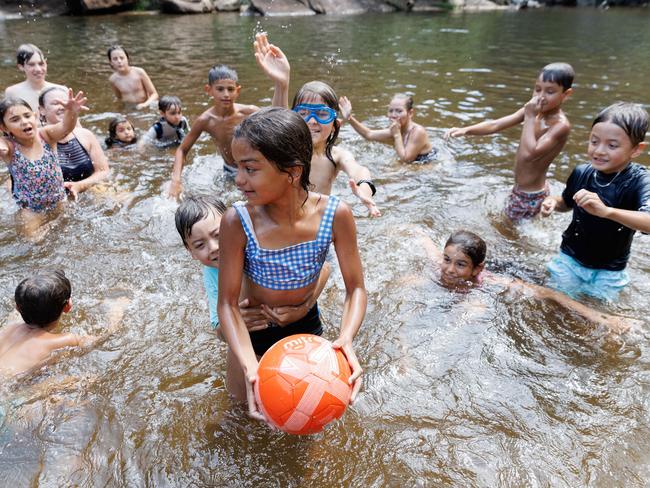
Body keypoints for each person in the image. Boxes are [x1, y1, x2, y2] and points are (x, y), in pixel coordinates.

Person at [218, 108, 366, 421]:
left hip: (305, 330)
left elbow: (356, 288)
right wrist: (248, 363)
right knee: (240, 417)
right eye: (237, 168)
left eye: (250, 169)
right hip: (252, 333)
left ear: (292, 172)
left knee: (306, 420)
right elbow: (228, 305)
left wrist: (346, 338)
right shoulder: (237, 221)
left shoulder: (335, 215)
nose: (238, 180)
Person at [416, 229, 635, 332]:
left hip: (517, 271)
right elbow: (424, 239)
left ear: (476, 269)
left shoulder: (490, 282)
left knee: (476, 308)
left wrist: (600, 318)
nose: (450, 270)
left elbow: (550, 294)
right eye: (447, 260)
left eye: (461, 264)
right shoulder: (441, 264)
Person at [174, 195, 330, 334]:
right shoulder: (212, 272)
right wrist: (234, 322)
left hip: (302, 320)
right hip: (258, 333)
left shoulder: (258, 248)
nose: (214, 247)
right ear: (191, 252)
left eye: (218, 235)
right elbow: (218, 328)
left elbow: (324, 268)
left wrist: (304, 307)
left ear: (234, 226)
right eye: (200, 245)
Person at [541, 102, 650, 301]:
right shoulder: (582, 172)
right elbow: (566, 202)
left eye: (612, 145)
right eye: (594, 141)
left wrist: (607, 212)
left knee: (597, 319)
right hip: (569, 260)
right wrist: (552, 203)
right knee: (554, 305)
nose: (599, 151)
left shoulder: (640, 181)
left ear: (636, 149)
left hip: (610, 271)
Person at [445, 62, 574, 223]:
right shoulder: (534, 112)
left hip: (530, 195)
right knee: (510, 229)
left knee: (508, 232)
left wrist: (529, 116)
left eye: (550, 91)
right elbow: (496, 124)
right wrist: (467, 130)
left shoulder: (560, 125)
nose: (541, 96)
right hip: (521, 190)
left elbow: (530, 154)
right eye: (537, 89)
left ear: (566, 94)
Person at [168, 32, 290, 199]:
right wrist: (176, 180)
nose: (226, 94)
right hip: (229, 170)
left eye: (230, 89)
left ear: (237, 91)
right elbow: (182, 149)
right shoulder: (206, 120)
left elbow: (279, 119)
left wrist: (280, 83)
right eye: (220, 89)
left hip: (251, 167)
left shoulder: (249, 112)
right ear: (208, 90)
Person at [0, 270, 128, 379]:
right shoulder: (64, 340)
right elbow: (100, 340)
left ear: (17, 307)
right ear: (68, 306)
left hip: (7, 382)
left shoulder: (10, 327)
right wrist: (117, 312)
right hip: (7, 396)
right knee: (80, 380)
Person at [0, 90, 87, 236]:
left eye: (27, 116)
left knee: (69, 233)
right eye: (15, 120)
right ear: (4, 128)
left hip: (59, 200)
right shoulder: (9, 146)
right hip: (31, 210)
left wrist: (71, 112)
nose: (24, 122)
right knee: (35, 242)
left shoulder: (46, 135)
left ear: (34, 116)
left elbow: (66, 127)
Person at [291, 81, 380, 217]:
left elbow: (359, 170)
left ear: (335, 125)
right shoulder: (287, 151)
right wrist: (281, 84)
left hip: (316, 219)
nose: (312, 121)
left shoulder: (336, 156)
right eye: (303, 113)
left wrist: (363, 190)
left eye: (322, 114)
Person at [38, 86, 110, 197]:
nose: (63, 107)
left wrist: (79, 186)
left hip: (91, 190)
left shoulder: (85, 135)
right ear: (41, 110)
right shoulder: (36, 140)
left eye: (66, 103)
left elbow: (103, 171)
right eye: (56, 103)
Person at [339, 93, 434, 163]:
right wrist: (349, 117)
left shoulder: (417, 131)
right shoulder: (396, 129)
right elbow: (369, 134)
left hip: (426, 165)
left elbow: (406, 160)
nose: (393, 115)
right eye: (391, 111)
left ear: (410, 113)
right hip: (411, 165)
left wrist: (396, 135)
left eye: (399, 111)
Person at [4, 44, 65, 111]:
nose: (38, 69)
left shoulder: (61, 90)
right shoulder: (12, 93)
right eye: (31, 64)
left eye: (41, 64)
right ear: (21, 67)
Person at [107, 45, 159, 110]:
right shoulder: (113, 79)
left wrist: (144, 105)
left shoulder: (139, 72)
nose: (119, 61)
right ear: (111, 62)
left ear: (127, 59)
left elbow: (154, 94)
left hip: (145, 105)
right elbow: (119, 98)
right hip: (129, 108)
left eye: (122, 58)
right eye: (115, 59)